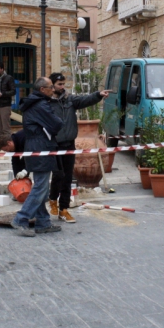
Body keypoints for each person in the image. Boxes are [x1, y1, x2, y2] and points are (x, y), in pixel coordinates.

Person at [48, 72, 109, 223]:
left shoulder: (69, 100)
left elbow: (85, 100)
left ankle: (64, 209)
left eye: (63, 84)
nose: (62, 87)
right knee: (58, 175)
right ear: (52, 86)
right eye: (59, 85)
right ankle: (52, 199)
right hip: (54, 144)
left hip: (69, 143)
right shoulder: (47, 103)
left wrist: (98, 95)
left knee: (68, 177)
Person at [11, 77, 63, 237]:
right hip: (41, 148)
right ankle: (21, 218)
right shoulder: (41, 105)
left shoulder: (33, 104)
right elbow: (57, 124)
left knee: (41, 187)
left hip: (35, 147)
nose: (53, 90)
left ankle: (43, 222)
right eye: (50, 87)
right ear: (42, 90)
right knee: (41, 187)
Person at [0, 62, 15, 138]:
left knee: (6, 129)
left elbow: (13, 91)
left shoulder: (8, 78)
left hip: (5, 105)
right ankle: (1, 146)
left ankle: (8, 145)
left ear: (2, 69)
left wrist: (2, 94)